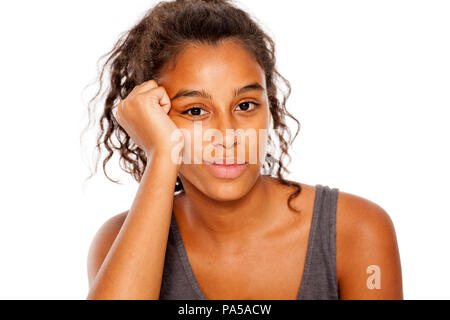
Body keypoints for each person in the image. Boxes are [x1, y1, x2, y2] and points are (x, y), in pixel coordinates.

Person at [84, 0, 403, 300]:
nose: (228, 135)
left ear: (271, 109)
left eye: (246, 105)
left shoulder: (358, 231)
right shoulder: (117, 243)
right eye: (195, 111)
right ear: (154, 119)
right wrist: (161, 155)